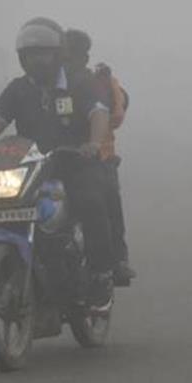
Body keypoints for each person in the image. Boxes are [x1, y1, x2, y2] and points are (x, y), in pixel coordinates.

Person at [0, 17, 116, 310]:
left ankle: (101, 275)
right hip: (32, 167)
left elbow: (99, 113)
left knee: (91, 201)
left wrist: (94, 144)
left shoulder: (79, 83)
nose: (36, 61)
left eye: (43, 54)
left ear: (58, 54)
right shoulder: (17, 89)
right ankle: (11, 272)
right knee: (1, 206)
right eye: (30, 55)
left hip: (76, 162)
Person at [63, 29, 137, 285]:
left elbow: (116, 114)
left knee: (106, 201)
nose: (63, 62)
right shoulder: (47, 84)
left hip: (99, 157)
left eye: (68, 55)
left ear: (83, 57)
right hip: (56, 157)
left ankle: (115, 261)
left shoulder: (97, 83)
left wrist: (93, 142)